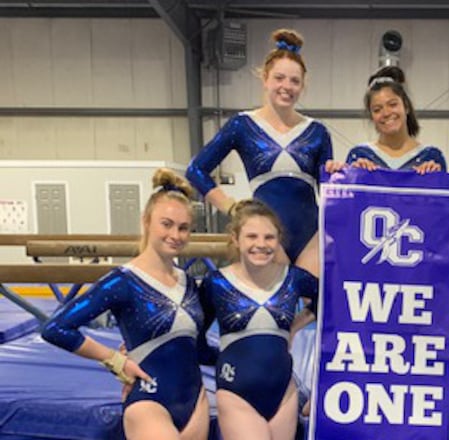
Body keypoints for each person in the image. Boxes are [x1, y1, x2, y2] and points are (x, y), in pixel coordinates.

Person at [42, 169, 212, 440]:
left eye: (183, 228)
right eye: (166, 224)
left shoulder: (189, 283)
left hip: (195, 402)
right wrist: (115, 360)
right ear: (146, 222)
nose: (175, 235)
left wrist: (252, 352)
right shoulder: (122, 281)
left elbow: (198, 349)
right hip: (149, 402)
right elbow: (56, 328)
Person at [187, 28, 332, 276]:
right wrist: (231, 207)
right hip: (266, 235)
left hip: (312, 236)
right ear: (265, 79)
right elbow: (196, 170)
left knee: (313, 304)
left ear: (302, 86)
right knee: (275, 306)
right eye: (279, 78)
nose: (287, 86)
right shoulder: (242, 125)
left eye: (294, 81)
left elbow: (329, 191)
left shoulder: (317, 131)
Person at [200, 199, 318, 440]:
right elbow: (192, 330)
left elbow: (332, 299)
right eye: (252, 237)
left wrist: (295, 326)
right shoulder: (217, 283)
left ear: (279, 239)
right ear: (236, 238)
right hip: (236, 393)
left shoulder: (293, 278)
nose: (261, 245)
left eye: (269, 238)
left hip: (283, 393)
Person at [325, 66, 449, 175]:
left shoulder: (431, 157)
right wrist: (336, 174)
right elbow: (348, 199)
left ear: (406, 106)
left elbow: (445, 200)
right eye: (377, 109)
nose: (386, 113)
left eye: (393, 104)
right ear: (371, 116)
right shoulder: (359, 155)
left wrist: (438, 178)